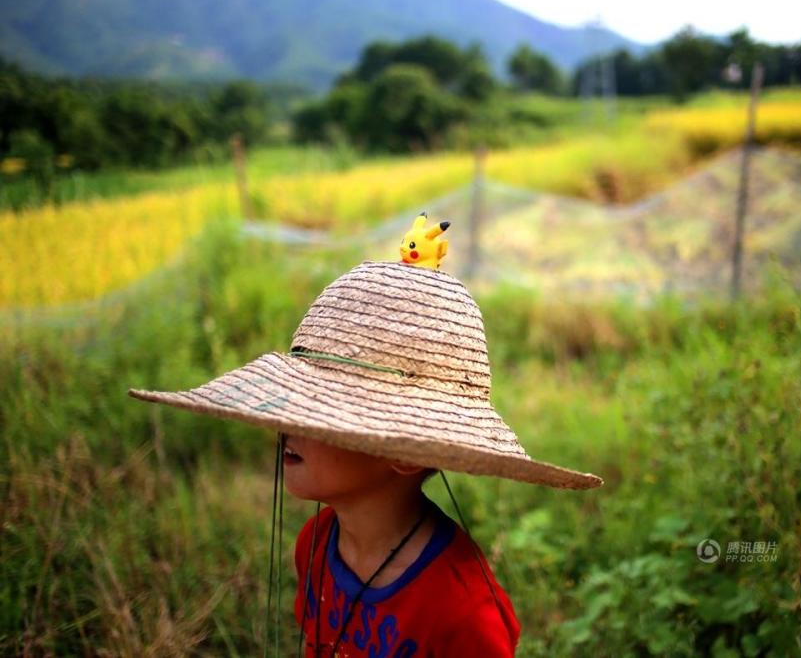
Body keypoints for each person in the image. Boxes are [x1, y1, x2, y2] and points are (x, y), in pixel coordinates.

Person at [128, 216, 602, 656]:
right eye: (296, 406)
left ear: (405, 454)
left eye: (323, 417)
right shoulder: (315, 545)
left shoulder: (463, 610)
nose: (285, 427)